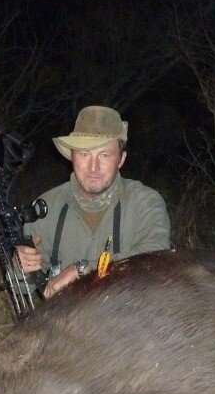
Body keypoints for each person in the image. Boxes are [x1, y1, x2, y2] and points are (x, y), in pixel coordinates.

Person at [17, 105, 170, 299]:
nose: (93, 167)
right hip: (66, 319)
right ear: (72, 156)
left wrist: (83, 271)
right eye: (84, 154)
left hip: (131, 318)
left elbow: (155, 262)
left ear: (121, 159)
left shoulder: (146, 203)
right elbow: (24, 288)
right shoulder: (45, 206)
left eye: (104, 155)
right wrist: (20, 268)